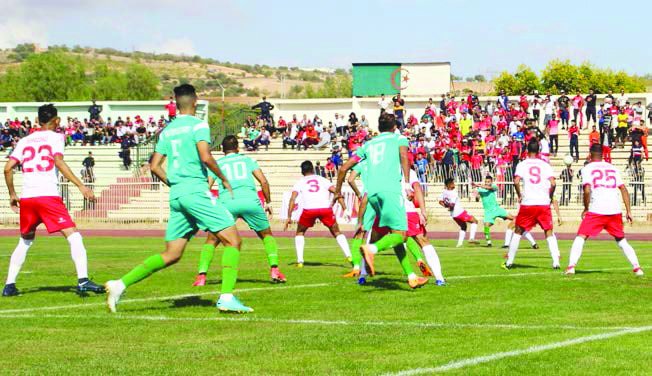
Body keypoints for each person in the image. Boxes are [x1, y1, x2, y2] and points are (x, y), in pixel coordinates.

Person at [105, 84, 253, 314]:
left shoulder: (167, 130)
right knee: (233, 240)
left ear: (176, 104)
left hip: (177, 196)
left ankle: (120, 284)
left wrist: (174, 184)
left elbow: (154, 166)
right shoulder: (198, 125)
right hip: (195, 191)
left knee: (172, 253)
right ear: (195, 102)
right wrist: (223, 178)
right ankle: (226, 298)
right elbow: (205, 156)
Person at [2, 104, 103, 297]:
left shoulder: (24, 141)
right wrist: (81, 186)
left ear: (38, 120)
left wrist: (12, 195)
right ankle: (83, 280)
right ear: (56, 120)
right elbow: (58, 160)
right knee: (74, 236)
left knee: (25, 241)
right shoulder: (56, 137)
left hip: (28, 199)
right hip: (47, 196)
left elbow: (8, 168)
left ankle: (9, 285)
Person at [335, 113, 429, 289]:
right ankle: (371, 249)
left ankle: (411, 276)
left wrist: (337, 191)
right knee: (402, 235)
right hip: (390, 190)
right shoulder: (399, 138)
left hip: (372, 194)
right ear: (395, 127)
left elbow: (343, 168)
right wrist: (407, 183)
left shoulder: (368, 144)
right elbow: (404, 157)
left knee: (395, 234)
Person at [192, 135, 286, 287]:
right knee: (266, 235)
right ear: (237, 147)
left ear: (222, 150)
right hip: (250, 201)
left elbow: (207, 187)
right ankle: (275, 269)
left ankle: (201, 276)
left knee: (212, 240)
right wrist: (268, 202)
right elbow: (263, 181)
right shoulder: (247, 160)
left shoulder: (217, 164)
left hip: (227, 203)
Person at [566, 144, 644, 276]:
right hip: (614, 209)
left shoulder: (587, 168)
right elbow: (623, 189)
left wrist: (586, 208)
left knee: (581, 237)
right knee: (621, 240)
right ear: (602, 155)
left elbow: (586, 190)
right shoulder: (612, 168)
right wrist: (628, 211)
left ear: (590, 154)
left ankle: (571, 266)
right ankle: (637, 268)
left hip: (597, 209)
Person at [503, 140, 560, 270]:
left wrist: (519, 194)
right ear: (539, 151)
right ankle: (556, 261)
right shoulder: (545, 165)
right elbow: (553, 183)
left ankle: (509, 262)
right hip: (543, 203)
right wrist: (549, 197)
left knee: (518, 231)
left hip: (528, 202)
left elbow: (516, 181)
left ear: (527, 151)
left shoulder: (523, 164)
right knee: (548, 231)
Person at [285, 161, 351, 267]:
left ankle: (300, 261)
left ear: (302, 171)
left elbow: (293, 199)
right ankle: (349, 256)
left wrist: (289, 216)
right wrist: (345, 209)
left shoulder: (300, 182)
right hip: (325, 209)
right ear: (312, 169)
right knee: (337, 232)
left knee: (300, 232)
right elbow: (337, 192)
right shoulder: (322, 179)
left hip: (309, 210)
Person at [473, 176, 514, 247]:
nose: (487, 183)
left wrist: (479, 185)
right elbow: (477, 199)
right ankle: (489, 243)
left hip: (496, 209)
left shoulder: (494, 186)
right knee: (486, 226)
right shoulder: (480, 189)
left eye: (488, 182)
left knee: (513, 218)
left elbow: (489, 188)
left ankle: (522, 228)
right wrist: (476, 195)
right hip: (488, 212)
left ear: (491, 182)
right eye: (486, 181)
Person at [439, 178, 479, 247]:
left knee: (463, 226)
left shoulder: (444, 192)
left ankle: (459, 244)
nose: (454, 184)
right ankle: (471, 238)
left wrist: (446, 206)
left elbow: (440, 202)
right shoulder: (453, 193)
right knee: (474, 221)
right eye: (453, 183)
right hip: (459, 212)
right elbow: (452, 204)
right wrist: (450, 207)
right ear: (449, 184)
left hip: (453, 215)